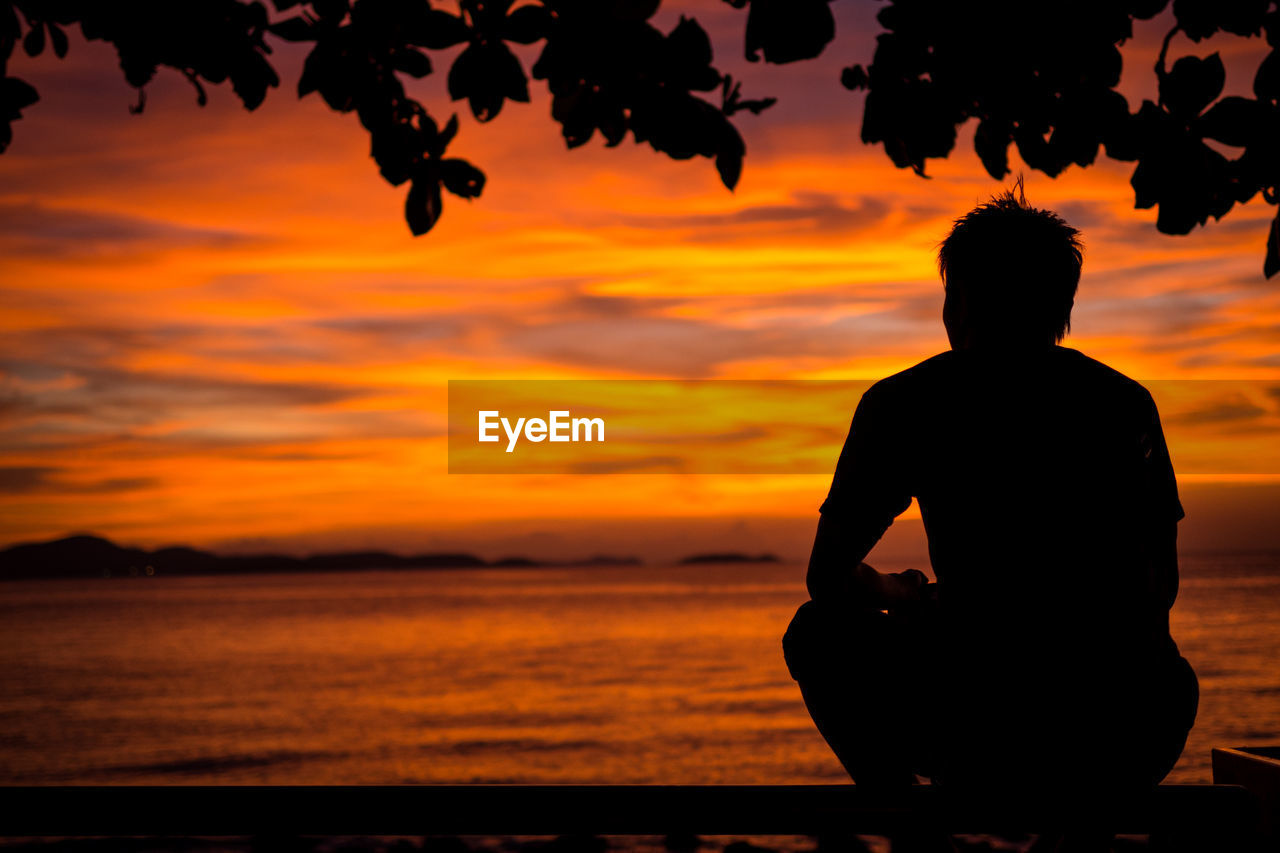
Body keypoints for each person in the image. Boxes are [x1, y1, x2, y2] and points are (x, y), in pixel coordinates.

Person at [782, 183, 1199, 802]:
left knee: (816, 634)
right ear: (1061, 307)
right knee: (1169, 681)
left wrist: (901, 592)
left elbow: (828, 578)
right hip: (1098, 724)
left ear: (959, 303)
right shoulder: (1122, 403)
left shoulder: (905, 403)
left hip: (963, 712)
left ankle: (916, 837)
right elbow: (1157, 588)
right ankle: (1076, 844)